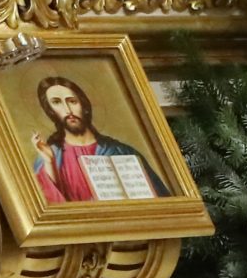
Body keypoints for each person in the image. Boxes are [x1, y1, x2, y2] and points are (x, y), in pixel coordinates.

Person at [29, 74, 170, 203]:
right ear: (51, 111)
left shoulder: (121, 151)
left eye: (72, 101)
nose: (68, 110)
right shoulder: (49, 156)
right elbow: (46, 207)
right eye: (57, 102)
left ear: (84, 105)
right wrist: (50, 163)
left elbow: (161, 203)